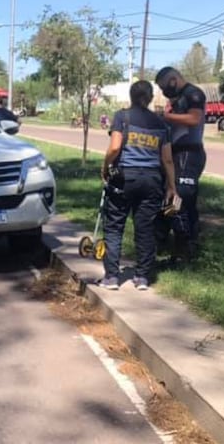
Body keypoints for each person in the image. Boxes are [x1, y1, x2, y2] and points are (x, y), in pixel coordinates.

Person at [98, 81, 177, 291]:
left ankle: (112, 278)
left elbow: (115, 147)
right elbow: (167, 159)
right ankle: (142, 277)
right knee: (145, 228)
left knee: (114, 227)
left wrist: (105, 166)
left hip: (124, 178)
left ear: (131, 96)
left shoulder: (122, 117)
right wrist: (172, 186)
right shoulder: (161, 124)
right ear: (150, 98)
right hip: (152, 181)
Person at [155, 66, 207, 261]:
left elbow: (194, 119)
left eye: (164, 87)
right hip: (175, 153)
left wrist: (166, 117)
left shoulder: (194, 94)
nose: (164, 92)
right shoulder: (177, 98)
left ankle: (186, 246)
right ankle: (163, 241)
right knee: (167, 194)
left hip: (189, 153)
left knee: (181, 198)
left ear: (173, 79)